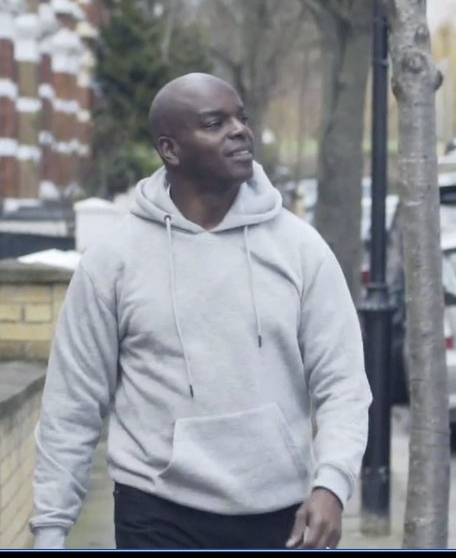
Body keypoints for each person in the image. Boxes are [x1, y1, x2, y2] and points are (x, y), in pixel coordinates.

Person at [29, 73, 372, 550]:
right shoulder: (114, 260)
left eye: (241, 118)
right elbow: (73, 402)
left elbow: (343, 383)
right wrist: (50, 528)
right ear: (171, 150)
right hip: (156, 509)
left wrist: (332, 483)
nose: (239, 131)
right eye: (215, 123)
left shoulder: (299, 249)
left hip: (281, 512)